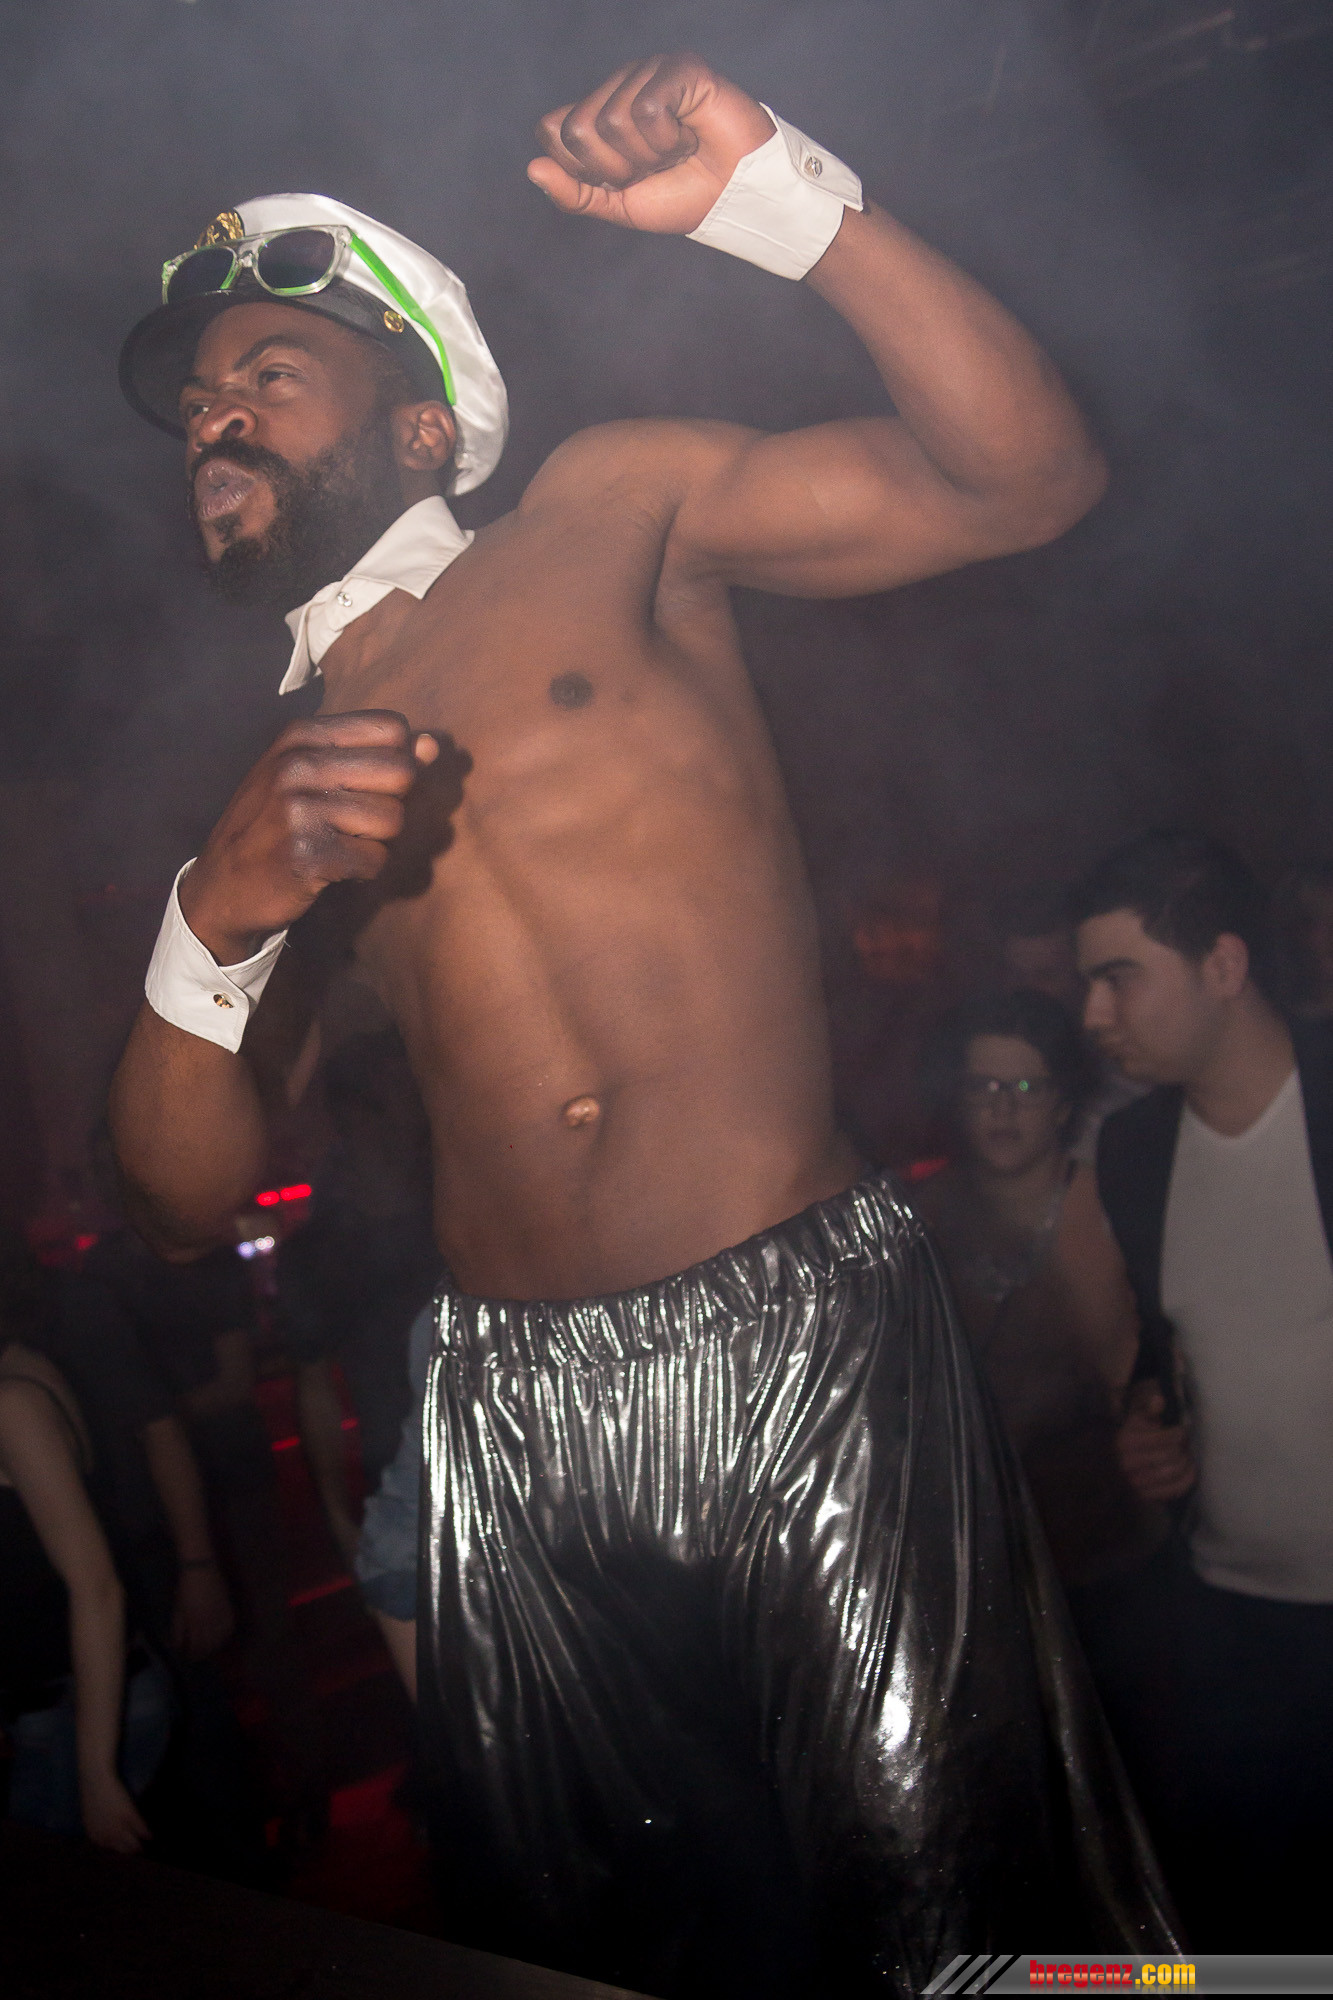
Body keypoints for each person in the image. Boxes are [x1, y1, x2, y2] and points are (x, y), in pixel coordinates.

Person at [107, 54, 1175, 1992]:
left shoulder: (606, 512)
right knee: (609, 1952)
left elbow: (1030, 478)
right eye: (193, 401)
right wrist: (213, 921)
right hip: (511, 1423)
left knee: (960, 1935)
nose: (212, 414)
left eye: (264, 370)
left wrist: (785, 205)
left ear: (421, 422)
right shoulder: (277, 802)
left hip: (801, 1342)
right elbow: (179, 1204)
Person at [1072, 828, 1333, 1947]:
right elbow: (1167, 1348)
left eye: (1118, 975)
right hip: (1229, 1617)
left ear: (1222, 965)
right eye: (1087, 983)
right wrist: (1148, 1420)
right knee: (1249, 1937)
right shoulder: (1133, 1149)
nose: (1093, 1012)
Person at [917, 989, 1160, 1591]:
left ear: (1063, 1104)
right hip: (970, 1547)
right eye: (983, 1087)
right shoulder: (918, 1218)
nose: (1003, 1109)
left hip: (1111, 1542)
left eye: (1027, 1089)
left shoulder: (1115, 1205)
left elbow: (1158, 1371)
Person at [0, 1234, 170, 1852]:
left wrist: (96, 1773)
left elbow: (96, 1588)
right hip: (61, 1707)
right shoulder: (21, 1372)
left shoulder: (13, 1402)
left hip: (82, 1712)